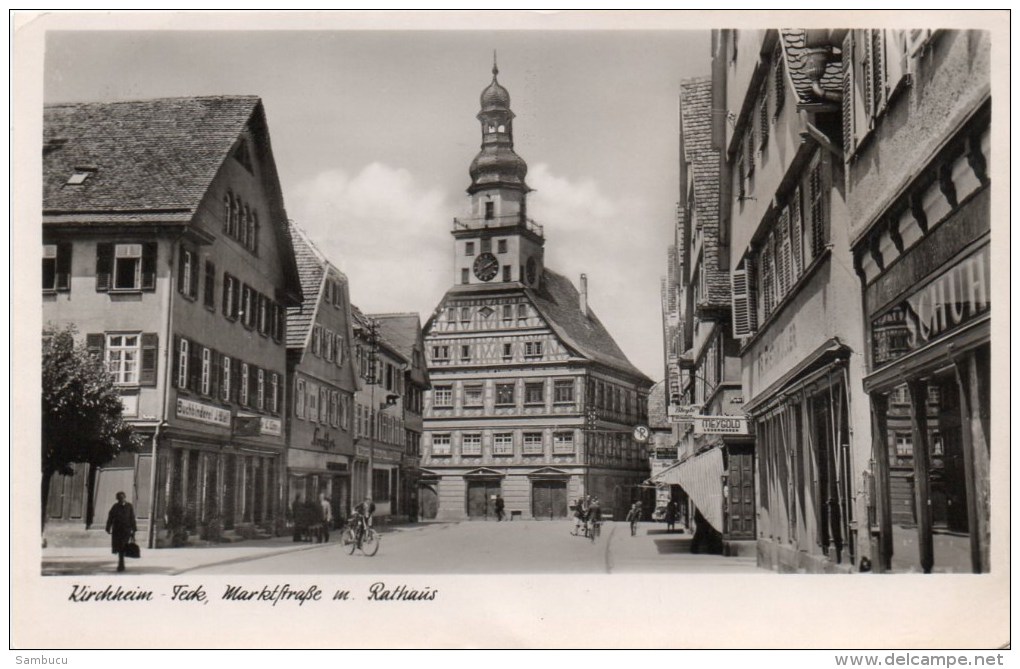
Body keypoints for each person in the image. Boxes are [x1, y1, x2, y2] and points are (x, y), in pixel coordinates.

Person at [105, 491, 136, 572]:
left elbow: (132, 518)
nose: (121, 499)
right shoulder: (115, 507)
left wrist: (134, 529)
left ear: (125, 497)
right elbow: (110, 518)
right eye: (119, 498)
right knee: (119, 547)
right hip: (117, 530)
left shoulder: (129, 506)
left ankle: (121, 563)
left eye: (122, 497)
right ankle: (121, 564)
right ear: (117, 499)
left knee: (123, 546)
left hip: (126, 530)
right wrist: (108, 527)